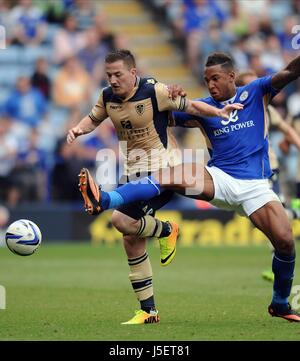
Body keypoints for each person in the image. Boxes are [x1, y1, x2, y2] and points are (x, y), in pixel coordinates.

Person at [80, 52, 300, 322]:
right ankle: (105, 199)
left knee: (286, 242)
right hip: (219, 178)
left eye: (216, 78)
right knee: (171, 174)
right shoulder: (204, 107)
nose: (211, 85)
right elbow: (161, 115)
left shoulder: (256, 91)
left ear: (232, 76)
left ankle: (279, 303)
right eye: (207, 80)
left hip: (256, 186)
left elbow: (290, 71)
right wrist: (170, 95)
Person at [67, 49, 242, 324]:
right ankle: (149, 310)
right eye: (109, 75)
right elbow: (93, 118)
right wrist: (78, 129)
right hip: (133, 172)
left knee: (120, 220)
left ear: (133, 73)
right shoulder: (106, 97)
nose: (113, 80)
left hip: (165, 171)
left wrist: (219, 111)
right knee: (131, 240)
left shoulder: (154, 91)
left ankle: (109, 202)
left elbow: (193, 107)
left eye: (118, 74)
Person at [236, 69, 300, 283]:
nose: (258, 89)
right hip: (247, 175)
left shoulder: (265, 108)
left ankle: (294, 212)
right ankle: (295, 211)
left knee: (275, 218)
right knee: (265, 221)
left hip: (268, 168)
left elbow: (286, 128)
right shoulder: (231, 111)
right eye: (250, 85)